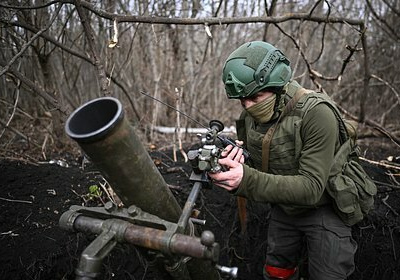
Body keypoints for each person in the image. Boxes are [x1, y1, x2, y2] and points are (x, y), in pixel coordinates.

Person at [208, 41, 357, 280]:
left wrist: (245, 179)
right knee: (277, 272)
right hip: (284, 207)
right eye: (242, 100)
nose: (248, 106)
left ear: (277, 85)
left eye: (255, 97)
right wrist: (239, 164)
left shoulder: (317, 113)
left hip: (325, 207)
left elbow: (311, 189)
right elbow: (259, 168)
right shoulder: (250, 117)